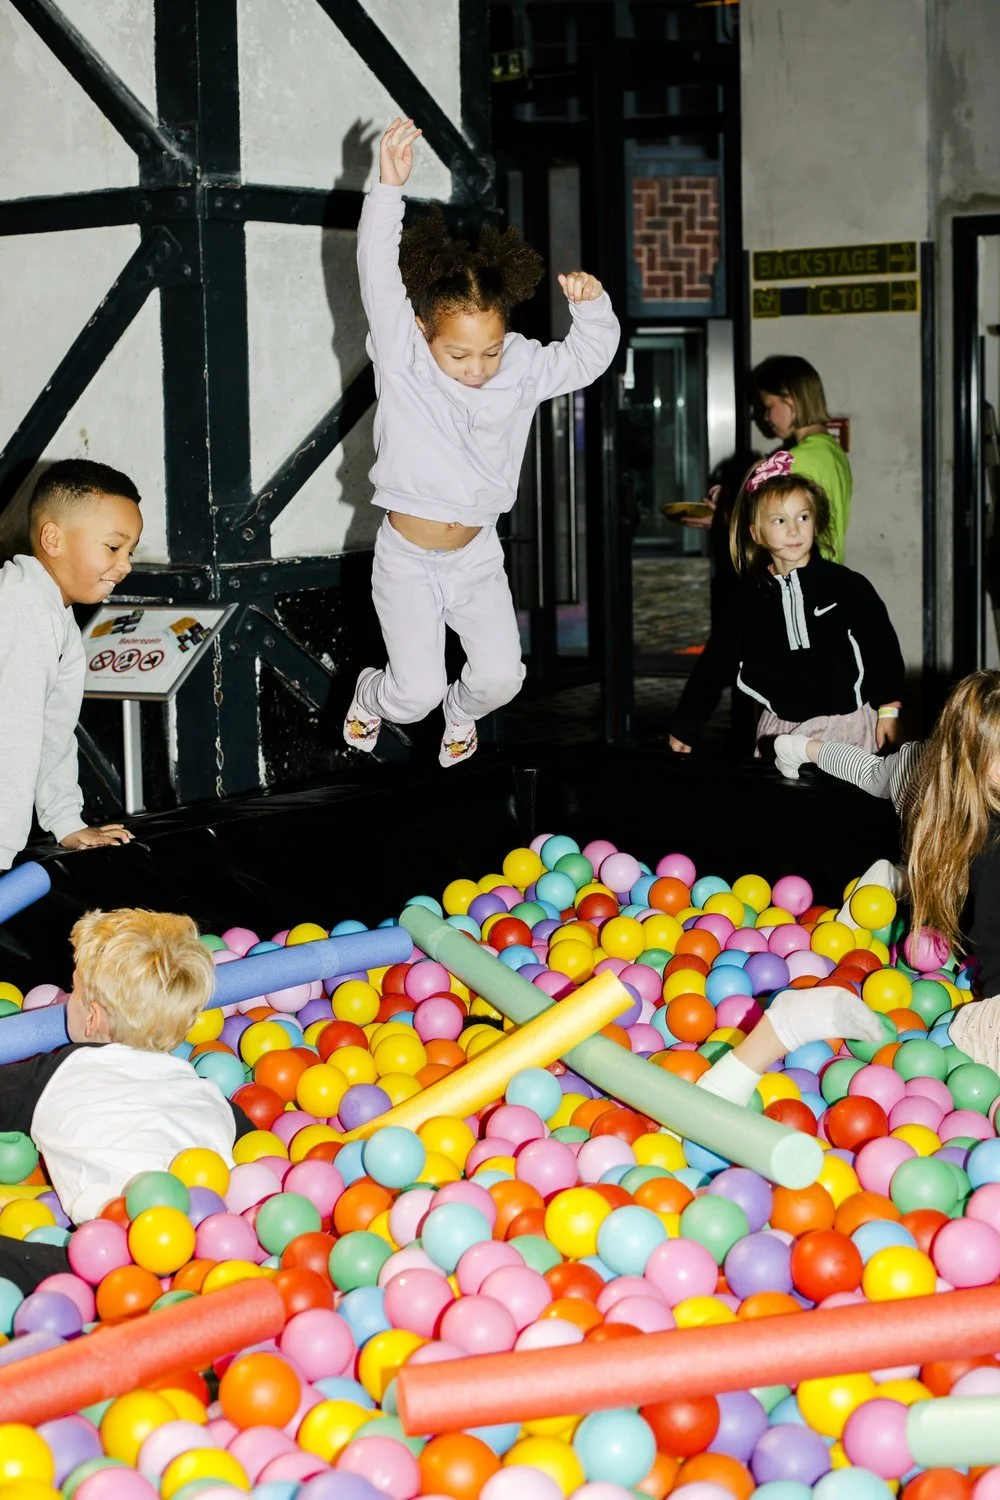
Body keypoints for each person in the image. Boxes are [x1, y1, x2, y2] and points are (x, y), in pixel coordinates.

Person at [343, 118, 620, 767]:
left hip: (475, 557)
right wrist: (387, 189)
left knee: (501, 679)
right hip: (407, 557)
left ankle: (461, 716)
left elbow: (585, 361)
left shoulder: (518, 367)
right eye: (459, 354)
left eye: (488, 350)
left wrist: (593, 307)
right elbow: (376, 276)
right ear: (421, 333)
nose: (476, 367)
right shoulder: (403, 360)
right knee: (412, 695)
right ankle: (369, 695)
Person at [0, 906, 253, 1292]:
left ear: (92, 1018)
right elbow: (256, 1159)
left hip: (115, 1266)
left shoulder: (60, 1072)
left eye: (74, 989)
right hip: (220, 1249)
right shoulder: (207, 1094)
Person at [667, 452, 904, 758]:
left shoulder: (846, 586)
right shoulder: (748, 600)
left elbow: (881, 648)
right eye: (779, 520)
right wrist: (688, 720)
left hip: (846, 729)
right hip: (779, 732)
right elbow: (715, 663)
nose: (794, 530)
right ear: (756, 533)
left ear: (815, 524)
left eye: (802, 517)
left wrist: (889, 711)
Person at [0, 459, 144, 872]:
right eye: (114, 547)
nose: (127, 564)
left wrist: (65, 819)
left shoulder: (54, 613)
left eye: (130, 551)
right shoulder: (22, 607)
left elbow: (52, 728)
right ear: (53, 538)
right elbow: (12, 732)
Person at [752, 354, 852, 564]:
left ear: (792, 401)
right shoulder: (834, 451)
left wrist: (724, 517)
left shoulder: (793, 461)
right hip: (831, 575)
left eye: (769, 407)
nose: (765, 417)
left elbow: (771, 529)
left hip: (804, 577)